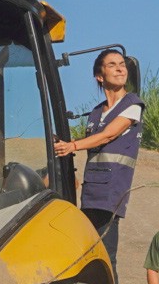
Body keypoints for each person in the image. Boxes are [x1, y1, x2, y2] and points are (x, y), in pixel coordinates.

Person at [55, 49, 142, 263]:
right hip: (91, 189)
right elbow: (93, 144)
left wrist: (73, 146)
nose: (120, 69)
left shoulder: (132, 105)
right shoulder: (95, 113)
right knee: (87, 254)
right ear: (100, 76)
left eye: (122, 64)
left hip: (111, 190)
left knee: (106, 256)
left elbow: (107, 135)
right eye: (112, 65)